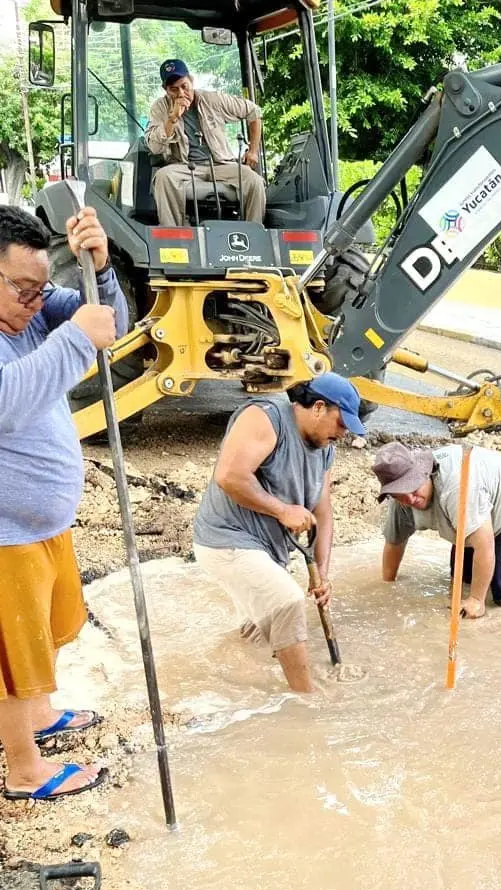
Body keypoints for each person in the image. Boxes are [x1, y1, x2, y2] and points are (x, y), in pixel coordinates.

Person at [0, 204, 127, 800]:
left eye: (40, 286)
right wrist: (75, 338)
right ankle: (24, 773)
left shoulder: (27, 316)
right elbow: (8, 403)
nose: (34, 300)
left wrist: (98, 269)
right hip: (7, 537)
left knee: (41, 637)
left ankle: (43, 716)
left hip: (43, 524)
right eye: (22, 288)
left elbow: (104, 324)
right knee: (9, 665)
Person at [192, 375, 364, 693]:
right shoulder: (265, 417)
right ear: (318, 407)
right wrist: (282, 510)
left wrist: (322, 574)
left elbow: (323, 511)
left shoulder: (324, 448)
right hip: (227, 538)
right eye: (341, 423)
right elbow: (229, 476)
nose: (343, 434)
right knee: (287, 601)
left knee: (257, 631)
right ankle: (306, 700)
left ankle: (226, 677)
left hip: (267, 550)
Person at [374, 442, 501, 617]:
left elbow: (484, 545)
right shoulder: (401, 503)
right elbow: (395, 542)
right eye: (399, 494)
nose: (410, 499)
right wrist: (388, 584)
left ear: (424, 473)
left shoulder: (456, 488)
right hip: (473, 507)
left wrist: (477, 601)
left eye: (413, 488)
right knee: (462, 579)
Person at [145, 59, 266, 227]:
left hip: (220, 164)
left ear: (192, 81)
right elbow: (154, 147)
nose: (181, 93)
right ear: (165, 90)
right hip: (185, 166)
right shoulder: (159, 108)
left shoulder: (213, 99)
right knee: (163, 177)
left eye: (184, 86)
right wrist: (172, 119)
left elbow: (253, 111)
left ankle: (253, 234)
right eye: (174, 89)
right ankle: (173, 236)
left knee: (255, 181)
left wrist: (253, 150)